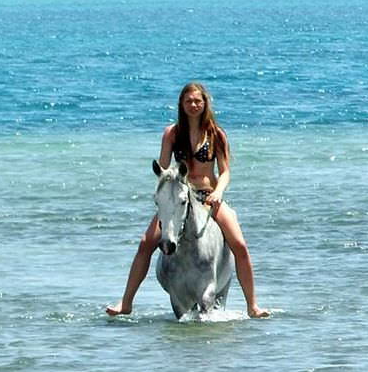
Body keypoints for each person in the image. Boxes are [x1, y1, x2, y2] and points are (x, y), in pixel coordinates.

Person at [106, 82, 269, 318]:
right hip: (179, 198)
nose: (193, 105)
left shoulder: (216, 134)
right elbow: (163, 168)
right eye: (189, 101)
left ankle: (252, 305)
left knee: (240, 246)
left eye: (198, 101)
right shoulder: (171, 133)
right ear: (181, 104)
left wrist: (218, 192)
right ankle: (126, 302)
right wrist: (166, 190)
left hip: (207, 198)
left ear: (205, 104)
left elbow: (225, 172)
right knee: (145, 244)